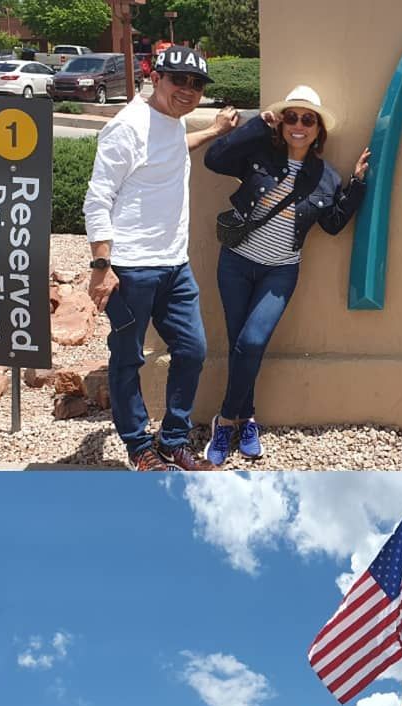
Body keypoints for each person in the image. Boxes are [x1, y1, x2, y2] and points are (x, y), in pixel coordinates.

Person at [83, 45, 239, 471]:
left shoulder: (171, 120)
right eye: (179, 80)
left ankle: (172, 442)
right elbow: (98, 199)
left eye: (196, 83)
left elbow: (168, 152)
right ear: (157, 78)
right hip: (131, 269)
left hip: (175, 265)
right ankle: (139, 449)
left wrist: (214, 133)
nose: (188, 90)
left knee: (192, 350)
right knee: (129, 358)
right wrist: (101, 266)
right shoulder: (126, 127)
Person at [200, 85, 371, 466]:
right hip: (236, 264)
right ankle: (248, 419)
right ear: (281, 123)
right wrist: (255, 127)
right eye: (291, 117)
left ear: (318, 130)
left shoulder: (325, 178)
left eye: (307, 119)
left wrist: (358, 184)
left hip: (280, 271)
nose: (298, 125)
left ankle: (226, 419)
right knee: (239, 345)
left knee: (253, 341)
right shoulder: (260, 154)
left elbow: (332, 225)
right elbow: (215, 159)